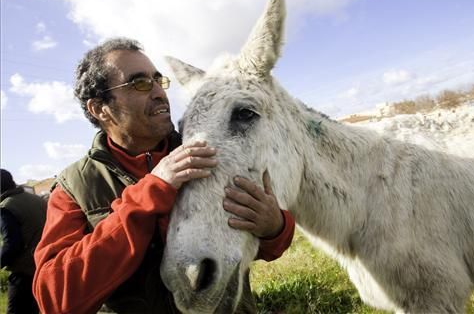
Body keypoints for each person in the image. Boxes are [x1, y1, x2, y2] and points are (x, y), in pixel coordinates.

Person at [33, 38, 295, 314]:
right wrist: (152, 191)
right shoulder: (74, 187)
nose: (159, 92)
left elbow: (269, 246)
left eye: (159, 80)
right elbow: (55, 299)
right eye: (140, 83)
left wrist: (275, 227)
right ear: (100, 108)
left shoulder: (207, 150)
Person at [1, 168, 47, 313]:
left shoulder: (7, 207)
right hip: (47, 265)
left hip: (25, 272)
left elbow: (12, 245)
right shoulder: (37, 200)